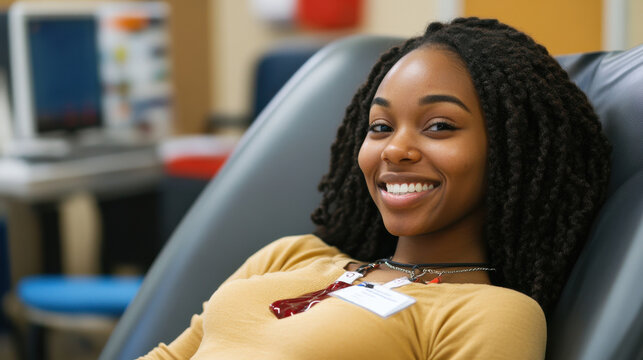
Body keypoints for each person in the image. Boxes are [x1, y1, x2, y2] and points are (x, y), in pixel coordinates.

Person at [140, 17, 610, 359]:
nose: (394, 149)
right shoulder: (290, 255)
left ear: (512, 151)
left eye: (440, 125)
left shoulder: (488, 312)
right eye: (381, 126)